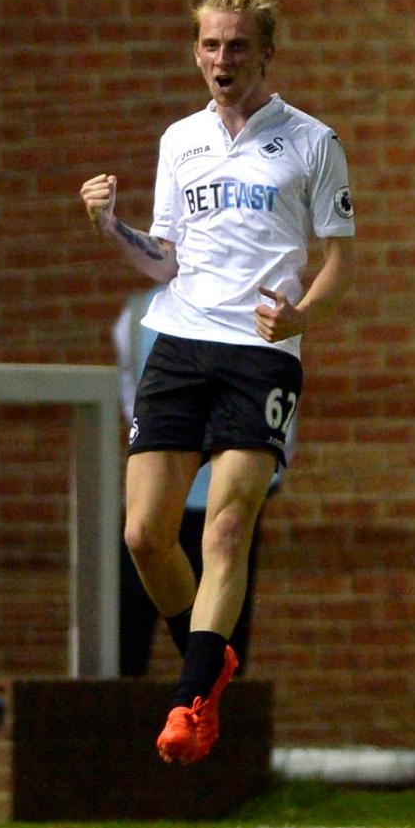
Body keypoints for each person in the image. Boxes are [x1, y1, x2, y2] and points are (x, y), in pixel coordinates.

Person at [80, 0, 356, 766]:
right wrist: (107, 226)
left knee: (228, 526)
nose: (221, 58)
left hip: (260, 354)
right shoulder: (180, 141)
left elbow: (340, 261)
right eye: (209, 44)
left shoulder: (312, 141)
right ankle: (211, 656)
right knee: (143, 535)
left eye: (237, 45)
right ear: (195, 52)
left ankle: (191, 696)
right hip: (180, 341)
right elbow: (163, 258)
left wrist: (301, 316)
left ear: (266, 52)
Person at [114, 284, 296, 677]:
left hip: (226, 489)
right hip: (164, 485)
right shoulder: (140, 311)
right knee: (132, 611)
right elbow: (133, 397)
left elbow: (275, 394)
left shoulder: (260, 299)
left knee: (227, 598)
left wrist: (271, 467)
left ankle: (213, 702)